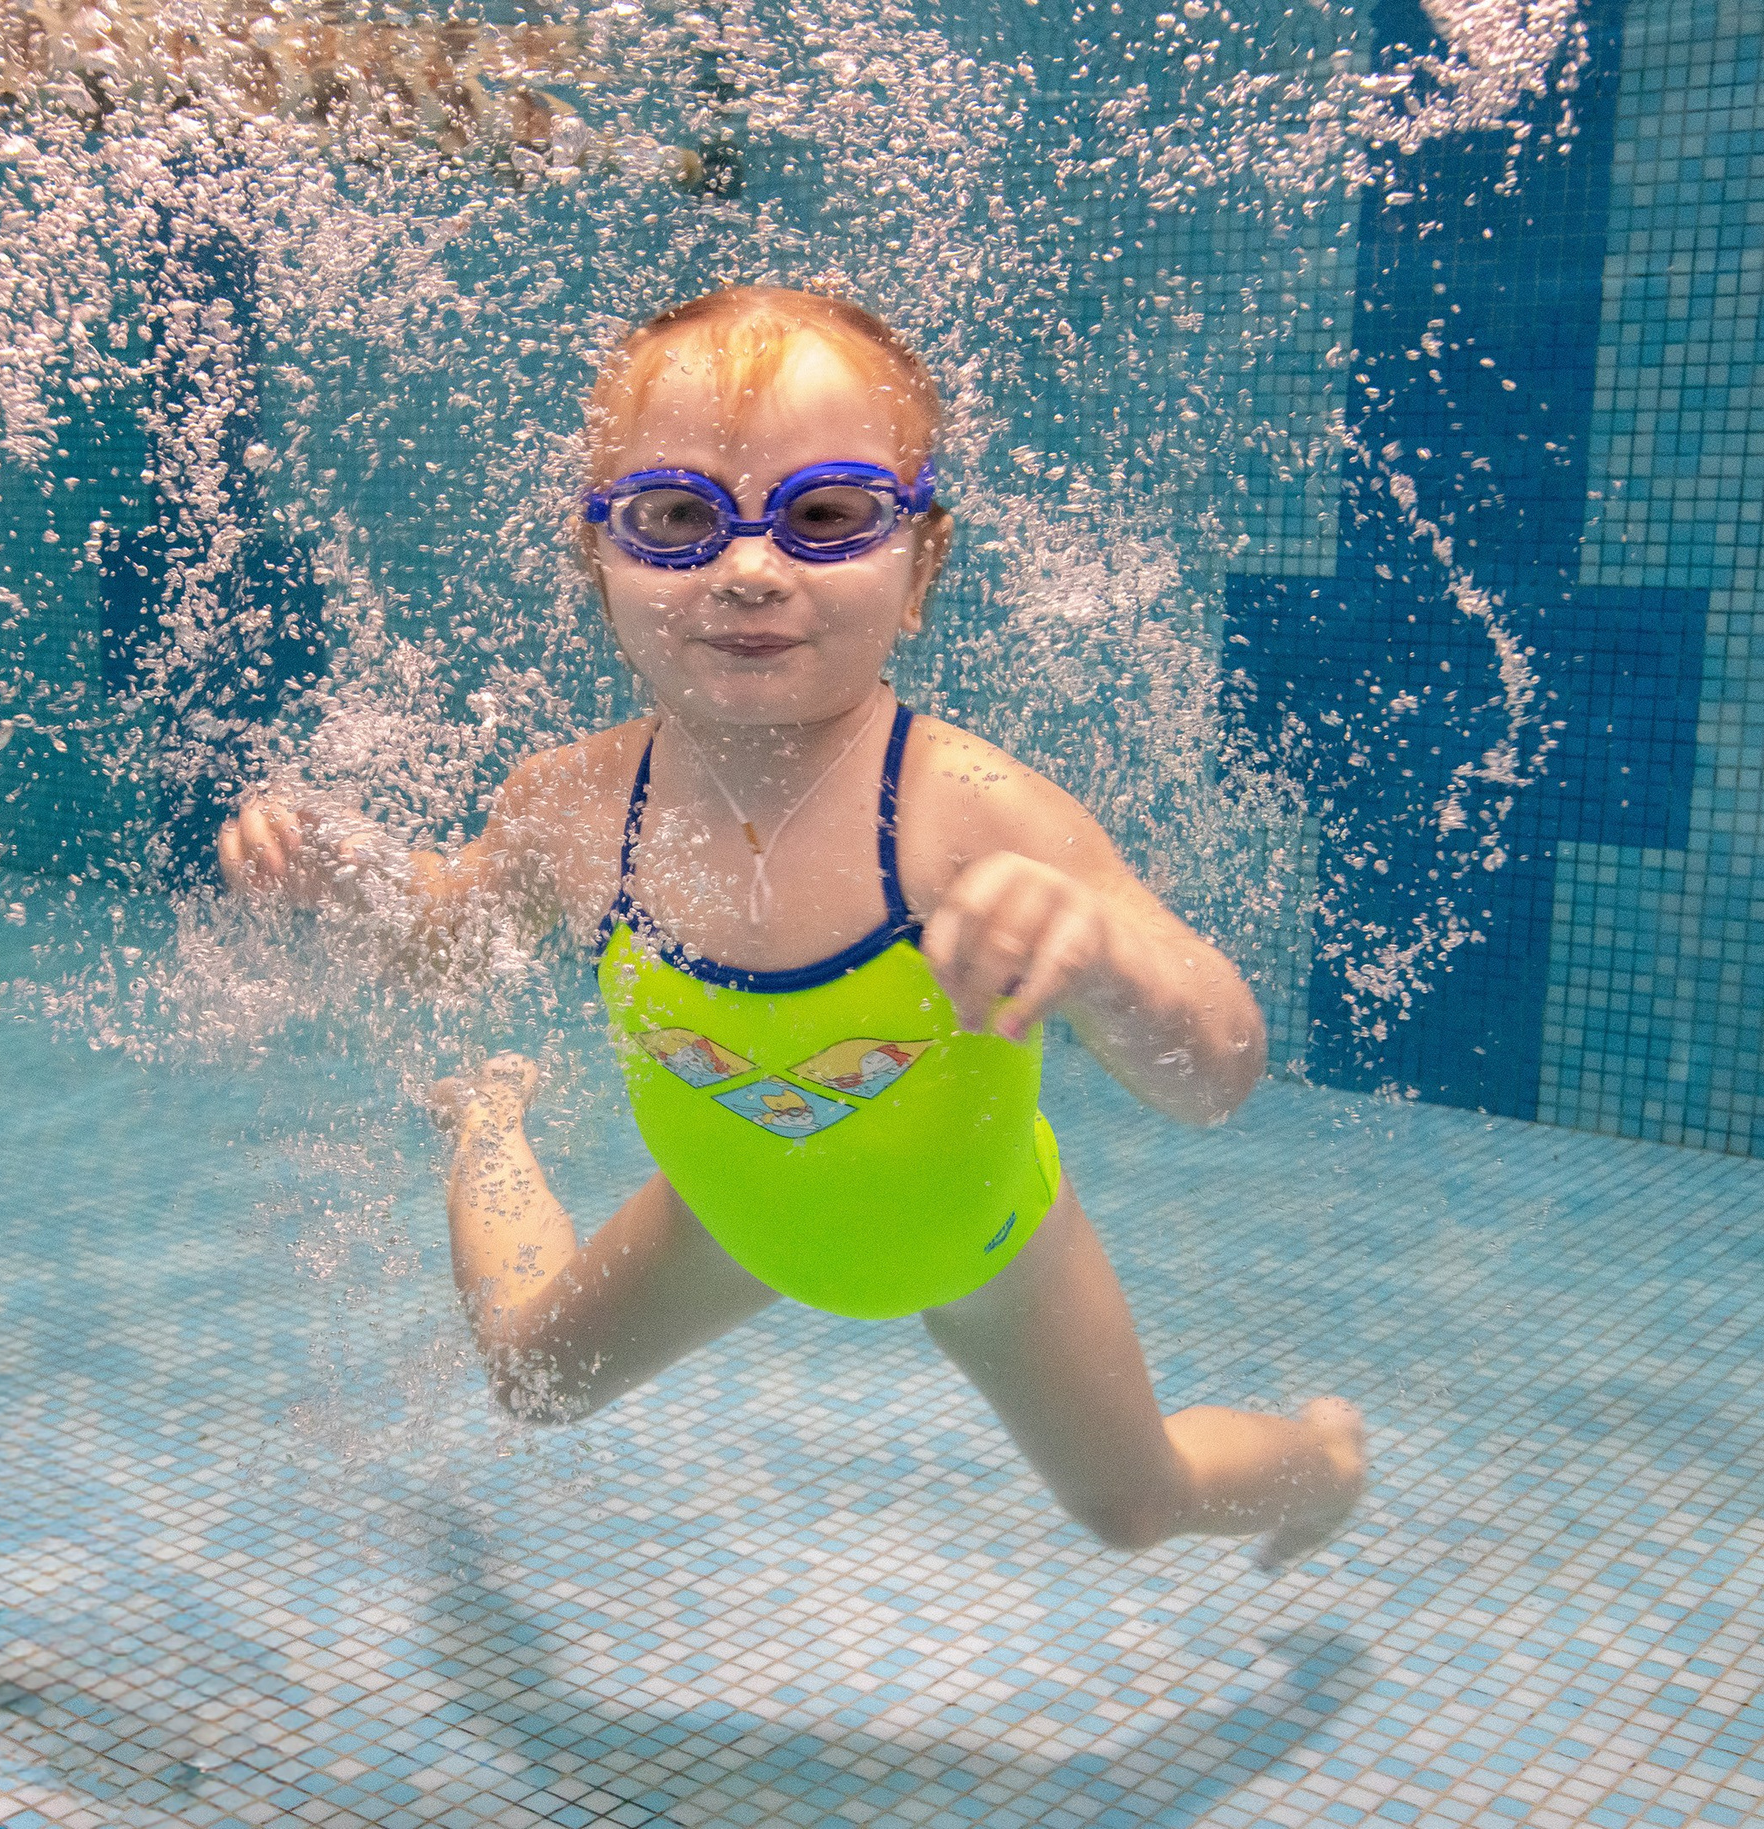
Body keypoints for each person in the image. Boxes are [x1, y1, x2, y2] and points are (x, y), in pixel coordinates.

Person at [219, 285, 1365, 1565]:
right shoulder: (574, 808)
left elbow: (1218, 1076)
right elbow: (444, 949)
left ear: (919, 566)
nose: (750, 568)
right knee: (532, 1380)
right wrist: (355, 875)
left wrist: (1103, 961)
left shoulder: (971, 814)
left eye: (825, 516)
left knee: (1134, 1505)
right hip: (728, 1214)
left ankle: (1322, 1463)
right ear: (596, 564)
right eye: (675, 517)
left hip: (982, 1240)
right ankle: (488, 1116)